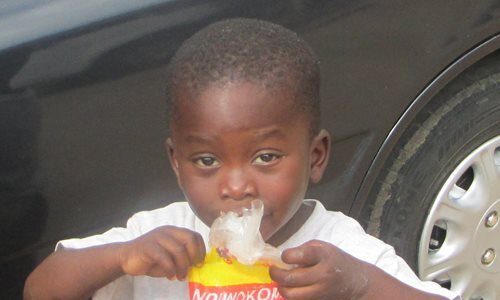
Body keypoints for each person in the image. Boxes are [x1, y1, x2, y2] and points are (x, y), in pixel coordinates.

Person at [23, 18, 459, 300]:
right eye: (207, 161)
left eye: (266, 157)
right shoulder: (156, 239)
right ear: (176, 162)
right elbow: (39, 290)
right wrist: (120, 257)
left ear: (316, 156)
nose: (235, 187)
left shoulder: (337, 250)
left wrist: (359, 285)